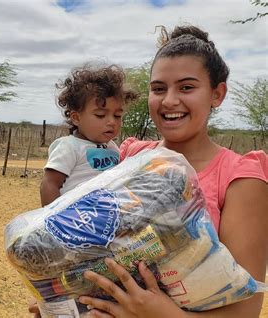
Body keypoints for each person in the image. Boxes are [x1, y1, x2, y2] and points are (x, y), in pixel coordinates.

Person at [29, 24, 267, 318]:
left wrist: (156, 314)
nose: (169, 100)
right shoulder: (130, 156)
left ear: (217, 94)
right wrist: (64, 300)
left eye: (187, 87)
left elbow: (244, 313)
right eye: (158, 89)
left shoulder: (240, 180)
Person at [40, 64, 138, 206]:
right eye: (100, 115)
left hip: (104, 217)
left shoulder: (112, 148)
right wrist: (53, 221)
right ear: (76, 118)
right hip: (74, 219)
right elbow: (49, 184)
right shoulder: (69, 147)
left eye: (117, 115)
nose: (112, 122)